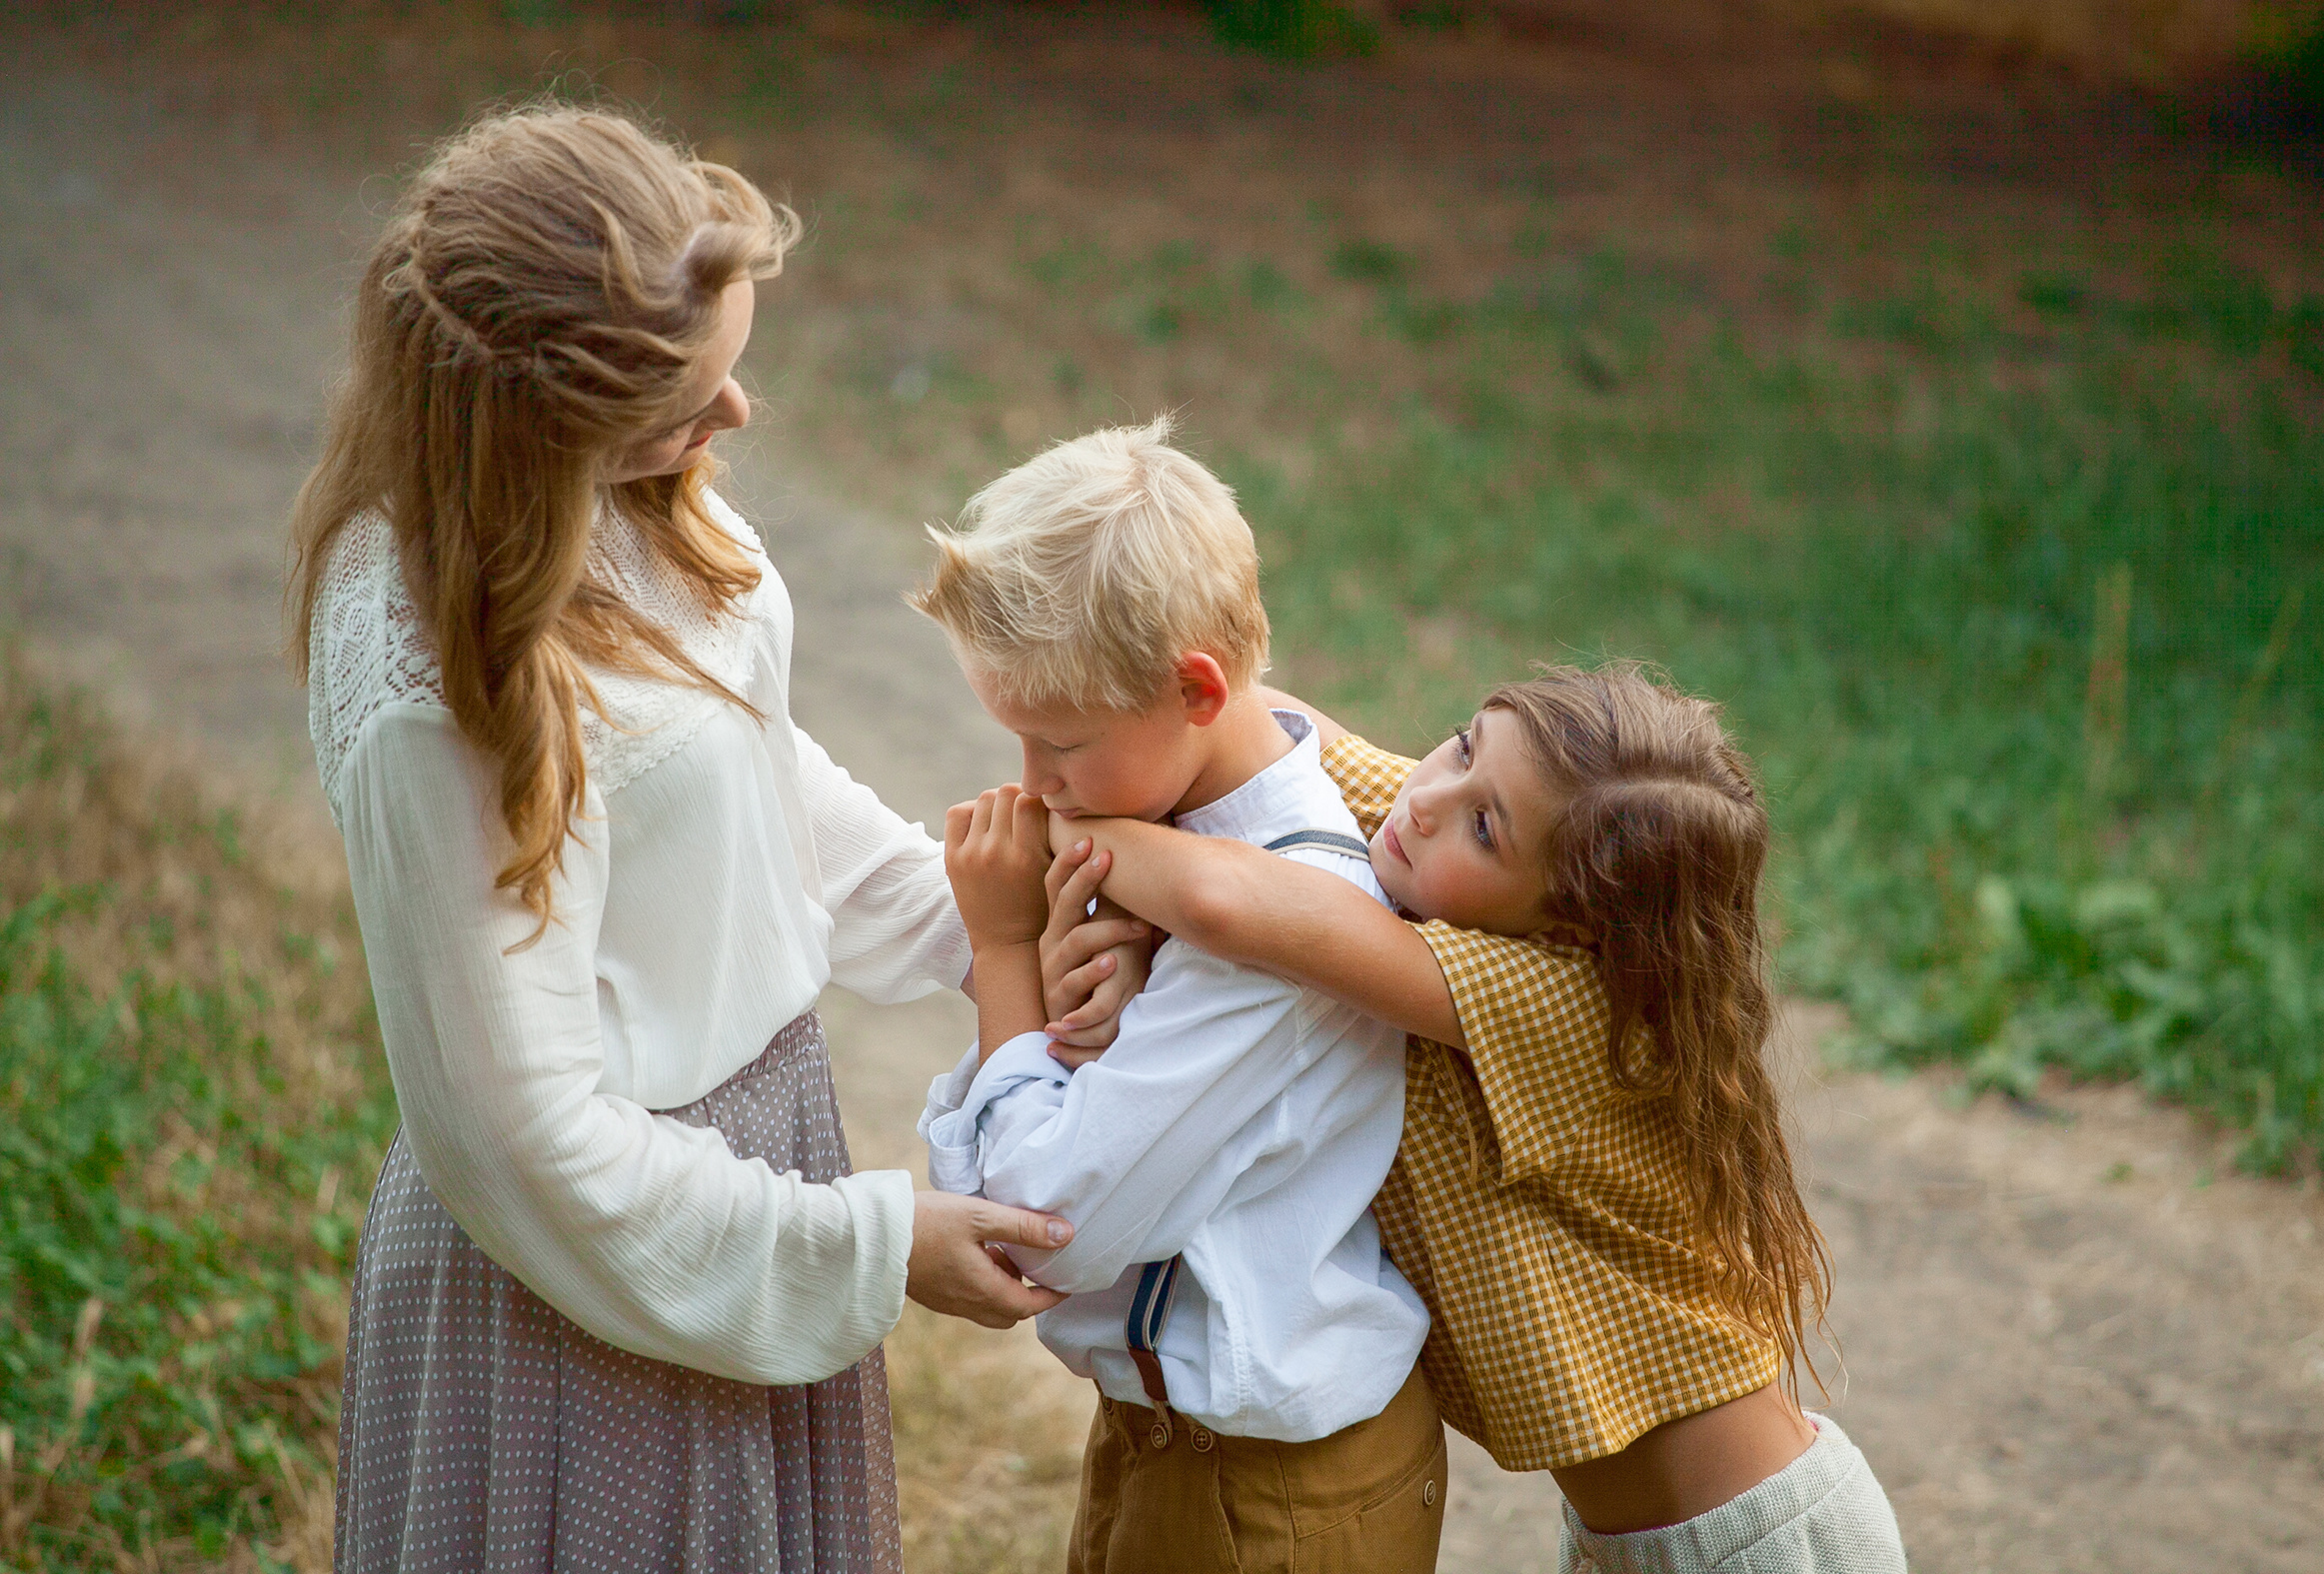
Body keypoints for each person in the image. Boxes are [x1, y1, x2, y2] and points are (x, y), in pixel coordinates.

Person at [287, 105, 1080, 1574]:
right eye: (689, 398)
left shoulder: (618, 496)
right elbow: (525, 1137)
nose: (737, 420)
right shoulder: (437, 698)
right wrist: (872, 1243)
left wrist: (981, 926)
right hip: (601, 1279)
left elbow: (739, 766)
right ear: (529, 424)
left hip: (750, 1163)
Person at [1040, 664, 1911, 1574]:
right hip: (1631, 1540)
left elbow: (1227, 902)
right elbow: (1257, 719)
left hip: (1752, 1545)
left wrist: (1057, 812)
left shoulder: (1576, 1005)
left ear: (1574, 927)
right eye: (1462, 742)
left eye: (1484, 823)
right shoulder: (1445, 832)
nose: (1430, 799)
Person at [909, 420, 1448, 1573]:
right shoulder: (1184, 836)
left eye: (1060, 742)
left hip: (1265, 1496)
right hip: (1185, 1446)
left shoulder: (1268, 935)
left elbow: (1046, 1226)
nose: (1032, 784)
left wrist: (1002, 954)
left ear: (1194, 688)